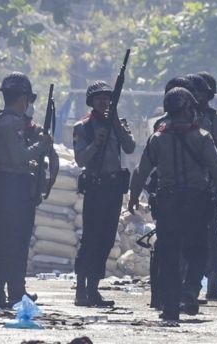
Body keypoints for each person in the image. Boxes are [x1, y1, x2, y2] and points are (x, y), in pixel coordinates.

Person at [128, 87, 217, 323]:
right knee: (198, 251)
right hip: (196, 202)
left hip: (167, 203)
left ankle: (170, 307)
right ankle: (190, 290)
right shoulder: (202, 136)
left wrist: (133, 195)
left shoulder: (157, 138)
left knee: (168, 254)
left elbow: (141, 170)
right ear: (188, 109)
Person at [0, 72, 53, 307]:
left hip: (4, 184)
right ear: (22, 99)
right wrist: (41, 145)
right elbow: (19, 156)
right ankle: (3, 292)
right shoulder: (11, 122)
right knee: (12, 240)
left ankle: (7, 290)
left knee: (1, 239)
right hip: (13, 186)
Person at [73, 80, 136, 307]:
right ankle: (81, 288)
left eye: (107, 98)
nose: (104, 101)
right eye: (99, 98)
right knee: (91, 238)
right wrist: (95, 144)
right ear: (91, 101)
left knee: (107, 239)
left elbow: (130, 146)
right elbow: (80, 159)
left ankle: (94, 288)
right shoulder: (83, 126)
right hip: (95, 186)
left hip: (113, 187)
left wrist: (116, 124)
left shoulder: (117, 124)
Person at [182, 73, 217, 300]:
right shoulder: (180, 118)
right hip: (185, 186)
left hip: (209, 187)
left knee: (209, 234)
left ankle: (211, 277)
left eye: (200, 93)